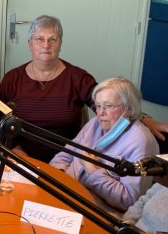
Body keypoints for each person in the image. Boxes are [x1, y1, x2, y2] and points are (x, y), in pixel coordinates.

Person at [0, 15, 168, 162]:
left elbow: (111, 106)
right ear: (30, 44)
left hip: (67, 159)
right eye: (39, 39)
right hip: (19, 158)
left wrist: (145, 120)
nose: (46, 45)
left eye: (53, 39)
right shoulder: (13, 79)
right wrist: (14, 149)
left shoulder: (77, 78)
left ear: (60, 43)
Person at [49, 78, 159, 212]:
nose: (100, 113)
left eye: (108, 106)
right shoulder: (94, 124)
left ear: (128, 109)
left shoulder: (140, 141)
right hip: (66, 194)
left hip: (96, 210)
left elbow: (130, 201)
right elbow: (64, 155)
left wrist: (93, 172)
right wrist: (60, 176)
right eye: (98, 106)